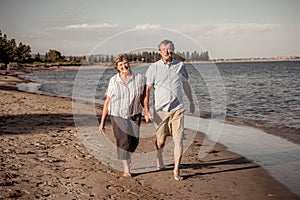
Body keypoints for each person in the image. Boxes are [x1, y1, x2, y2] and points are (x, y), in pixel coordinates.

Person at [144, 40, 195, 181]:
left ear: (173, 50)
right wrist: (146, 110)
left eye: (170, 49)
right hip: (160, 110)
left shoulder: (180, 65)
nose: (167, 51)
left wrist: (191, 101)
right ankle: (159, 156)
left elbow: (185, 85)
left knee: (178, 140)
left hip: (177, 109)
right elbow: (147, 90)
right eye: (164, 49)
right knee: (161, 140)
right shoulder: (153, 68)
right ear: (159, 51)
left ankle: (176, 170)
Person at [99, 54, 145, 178]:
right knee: (124, 140)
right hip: (117, 114)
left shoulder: (139, 78)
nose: (124, 66)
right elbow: (107, 102)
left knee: (134, 141)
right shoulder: (114, 81)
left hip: (135, 113)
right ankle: (126, 167)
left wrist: (147, 111)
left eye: (125, 63)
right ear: (117, 68)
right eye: (121, 65)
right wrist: (102, 122)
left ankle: (127, 156)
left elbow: (143, 98)